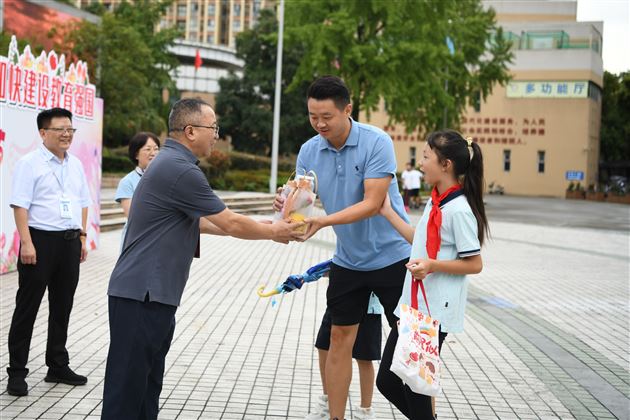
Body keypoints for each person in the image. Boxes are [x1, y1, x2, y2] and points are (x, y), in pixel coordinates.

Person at [101, 98, 303, 420]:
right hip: (142, 295)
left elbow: (203, 222)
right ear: (191, 130)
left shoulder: (170, 165)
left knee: (144, 389)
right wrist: (275, 232)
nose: (217, 136)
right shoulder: (180, 170)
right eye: (214, 129)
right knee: (126, 395)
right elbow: (230, 222)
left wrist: (266, 225)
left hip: (150, 295)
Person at [274, 76, 411, 420]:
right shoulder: (309, 150)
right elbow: (304, 200)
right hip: (348, 261)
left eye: (326, 117)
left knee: (410, 344)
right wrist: (287, 206)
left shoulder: (376, 142)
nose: (319, 124)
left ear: (347, 110)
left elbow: (372, 202)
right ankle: (336, 417)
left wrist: (322, 222)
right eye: (312, 116)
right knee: (338, 338)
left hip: (394, 258)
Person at [376, 130, 488, 420]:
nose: (421, 162)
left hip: (434, 313)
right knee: (388, 381)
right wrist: (388, 213)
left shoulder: (459, 210)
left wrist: (432, 265)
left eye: (426, 157)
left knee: (415, 389)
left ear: (446, 164)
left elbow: (475, 264)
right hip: (414, 308)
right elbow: (419, 241)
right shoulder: (436, 201)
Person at [7, 108, 91, 397]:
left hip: (69, 242)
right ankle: (16, 372)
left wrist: (81, 236)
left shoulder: (76, 165)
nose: (67, 134)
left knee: (62, 306)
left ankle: (57, 364)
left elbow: (82, 202)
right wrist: (26, 243)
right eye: (60, 129)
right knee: (27, 307)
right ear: (43, 133)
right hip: (39, 241)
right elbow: (20, 206)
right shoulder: (29, 164)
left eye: (70, 129)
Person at [306, 293, 383, 420]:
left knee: (364, 358)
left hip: (369, 303)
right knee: (323, 345)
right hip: (341, 298)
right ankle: (327, 403)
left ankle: (365, 412)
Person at [114, 132, 160, 250]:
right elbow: (133, 216)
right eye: (148, 149)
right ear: (136, 155)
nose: (153, 153)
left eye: (156, 149)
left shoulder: (166, 178)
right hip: (136, 241)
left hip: (160, 240)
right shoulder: (127, 182)